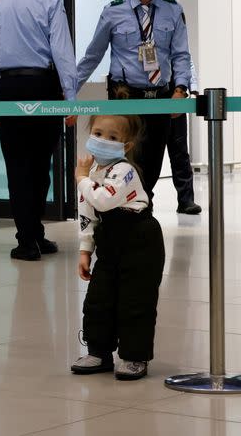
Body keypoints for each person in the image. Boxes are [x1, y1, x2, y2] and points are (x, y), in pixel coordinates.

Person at [0, 0, 79, 261]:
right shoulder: (51, 4)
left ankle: (29, 238)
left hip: (9, 87)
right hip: (43, 87)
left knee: (17, 166)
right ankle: (33, 234)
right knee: (40, 165)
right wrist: (71, 100)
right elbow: (63, 55)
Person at [77, 0, 192, 199]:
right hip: (125, 98)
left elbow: (181, 54)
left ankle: (142, 205)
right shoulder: (113, 11)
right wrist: (68, 91)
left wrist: (180, 90)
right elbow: (92, 56)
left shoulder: (173, 10)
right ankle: (123, 209)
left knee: (152, 161)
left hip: (160, 97)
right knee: (123, 159)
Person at [71, 114, 165, 380]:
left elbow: (103, 200)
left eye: (112, 138)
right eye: (98, 133)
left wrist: (81, 179)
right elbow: (87, 214)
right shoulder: (90, 175)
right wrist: (85, 251)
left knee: (135, 301)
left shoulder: (125, 171)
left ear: (126, 145)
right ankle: (98, 351)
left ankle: (135, 356)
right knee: (99, 299)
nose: (103, 141)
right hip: (110, 243)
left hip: (140, 241)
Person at [158, 0, 201, 215]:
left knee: (179, 150)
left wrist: (190, 87)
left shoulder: (175, 15)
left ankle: (186, 199)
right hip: (150, 92)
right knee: (146, 151)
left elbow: (186, 57)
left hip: (175, 92)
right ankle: (144, 201)